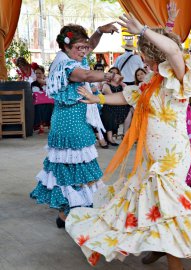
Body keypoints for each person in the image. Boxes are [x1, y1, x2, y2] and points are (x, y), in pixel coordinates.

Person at [65, 13, 191, 270]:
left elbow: (174, 50)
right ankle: (157, 246)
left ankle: (175, 262)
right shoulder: (151, 81)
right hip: (150, 155)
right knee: (150, 201)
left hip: (172, 156)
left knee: (168, 206)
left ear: (152, 52)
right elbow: (130, 98)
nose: (142, 58)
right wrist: (99, 100)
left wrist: (142, 30)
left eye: (144, 53)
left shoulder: (180, 76)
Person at [30, 22, 122, 228]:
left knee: (78, 165)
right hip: (68, 124)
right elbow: (87, 76)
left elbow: (90, 46)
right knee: (73, 165)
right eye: (79, 48)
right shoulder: (65, 65)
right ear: (66, 47)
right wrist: (110, 76)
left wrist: (99, 32)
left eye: (84, 48)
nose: (84, 51)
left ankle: (73, 210)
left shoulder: (74, 57)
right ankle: (68, 212)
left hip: (75, 120)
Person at [101, 67, 130, 146]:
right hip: (109, 106)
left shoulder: (122, 85)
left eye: (116, 73)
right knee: (108, 110)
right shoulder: (106, 85)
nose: (114, 75)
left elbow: (127, 94)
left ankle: (125, 134)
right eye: (112, 73)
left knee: (129, 109)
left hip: (120, 107)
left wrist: (121, 83)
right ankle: (110, 137)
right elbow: (112, 98)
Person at [31, 65, 54, 134]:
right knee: (39, 107)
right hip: (38, 102)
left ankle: (50, 124)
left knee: (49, 105)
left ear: (43, 74)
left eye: (39, 73)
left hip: (49, 101)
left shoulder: (48, 81)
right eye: (36, 73)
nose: (38, 75)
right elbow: (33, 93)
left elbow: (52, 88)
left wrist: (44, 83)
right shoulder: (33, 83)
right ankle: (41, 126)